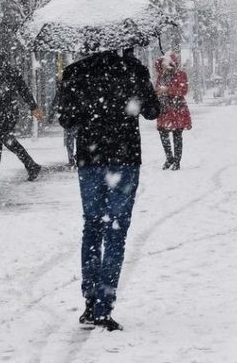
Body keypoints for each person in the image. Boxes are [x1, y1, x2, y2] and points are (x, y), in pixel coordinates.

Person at [57, 46, 161, 332]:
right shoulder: (134, 70)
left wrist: (85, 104)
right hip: (124, 158)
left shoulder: (75, 72)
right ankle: (104, 304)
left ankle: (90, 302)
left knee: (92, 227)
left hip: (90, 160)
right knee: (116, 230)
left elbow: (66, 119)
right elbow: (153, 111)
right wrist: (136, 94)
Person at [0, 49, 43, 181]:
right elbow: (24, 90)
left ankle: (31, 165)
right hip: (6, 113)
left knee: (6, 141)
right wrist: (33, 106)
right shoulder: (9, 72)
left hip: (3, 114)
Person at [154, 52, 191, 171]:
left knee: (177, 135)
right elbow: (157, 90)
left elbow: (183, 90)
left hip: (177, 108)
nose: (165, 67)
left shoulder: (181, 74)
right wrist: (158, 92)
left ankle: (177, 161)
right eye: (163, 64)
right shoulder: (160, 76)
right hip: (164, 109)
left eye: (167, 64)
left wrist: (168, 90)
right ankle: (169, 157)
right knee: (163, 133)